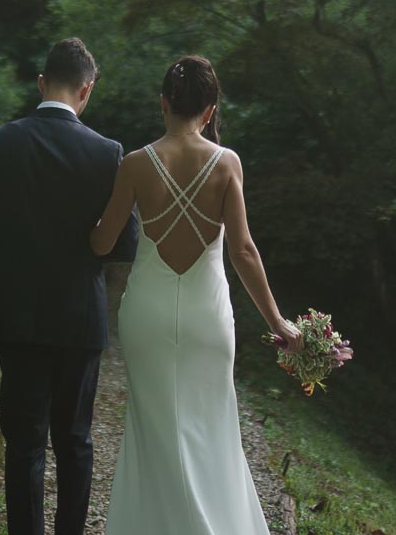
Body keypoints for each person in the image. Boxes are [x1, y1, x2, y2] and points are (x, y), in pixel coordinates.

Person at [89, 54, 302, 535]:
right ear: (210, 111)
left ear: (163, 103)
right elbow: (243, 250)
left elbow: (102, 243)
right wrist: (278, 322)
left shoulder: (135, 164)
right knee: (213, 430)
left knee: (154, 431)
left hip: (147, 315)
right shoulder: (227, 163)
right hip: (208, 317)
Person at [0, 37, 138, 535]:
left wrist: (12, 245)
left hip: (16, 312)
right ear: (87, 90)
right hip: (79, 317)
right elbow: (125, 243)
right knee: (75, 440)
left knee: (25, 443)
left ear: (41, 83)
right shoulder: (107, 153)